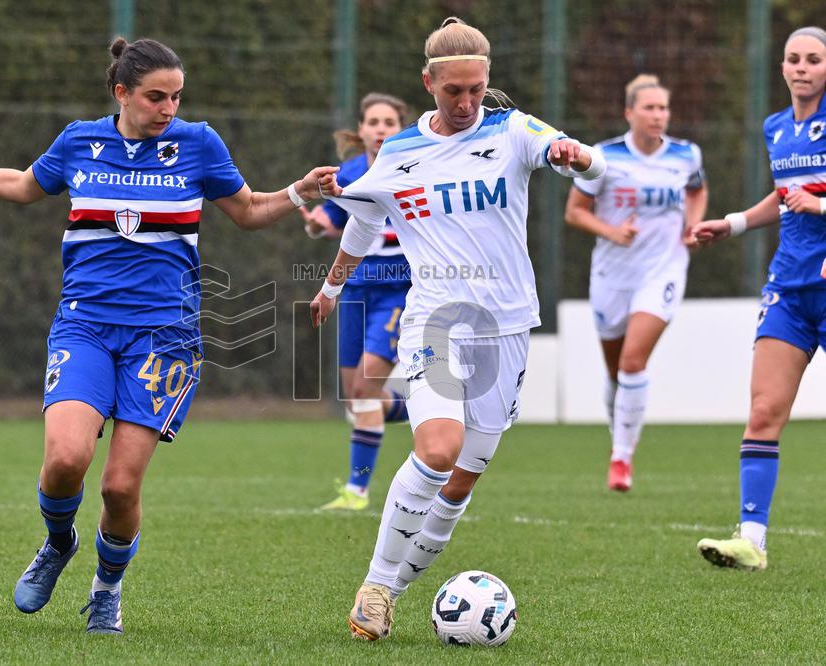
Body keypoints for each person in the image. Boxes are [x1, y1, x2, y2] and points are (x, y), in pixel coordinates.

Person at [0, 37, 339, 633]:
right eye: (155, 97)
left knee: (120, 488)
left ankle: (107, 589)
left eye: (176, 97)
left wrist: (299, 190)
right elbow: (22, 186)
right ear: (121, 92)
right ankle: (57, 542)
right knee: (66, 460)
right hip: (86, 326)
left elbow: (249, 211)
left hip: (164, 338)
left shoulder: (199, 144)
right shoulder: (79, 141)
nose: (168, 108)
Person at [308, 17, 606, 640]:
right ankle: (380, 585)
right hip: (437, 318)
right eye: (454, 92)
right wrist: (333, 285)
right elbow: (363, 221)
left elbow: (592, 168)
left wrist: (575, 157)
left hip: (508, 325)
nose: (467, 102)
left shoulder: (515, 130)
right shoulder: (398, 153)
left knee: (467, 471)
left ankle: (403, 579)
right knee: (438, 451)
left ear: (487, 80)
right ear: (429, 83)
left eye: (476, 89)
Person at [692, 26, 826, 571]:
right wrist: (735, 223)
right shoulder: (777, 127)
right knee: (765, 409)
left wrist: (820, 207)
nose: (801, 68)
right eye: (793, 59)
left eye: (813, 60)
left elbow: (811, 197)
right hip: (790, 288)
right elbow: (785, 192)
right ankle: (751, 541)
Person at [564, 74, 708, 492]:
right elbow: (575, 212)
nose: (658, 115)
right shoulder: (603, 158)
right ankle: (619, 438)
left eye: (663, 108)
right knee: (615, 372)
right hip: (613, 274)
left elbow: (697, 192)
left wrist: (693, 224)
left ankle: (621, 460)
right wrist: (612, 232)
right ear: (629, 112)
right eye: (649, 108)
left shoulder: (686, 154)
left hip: (663, 270)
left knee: (632, 362)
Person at [301, 93, 413, 511]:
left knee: (365, 387)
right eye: (374, 121)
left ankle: (357, 490)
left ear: (400, 129)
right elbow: (327, 223)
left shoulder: (412, 169)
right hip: (356, 290)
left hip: (400, 290)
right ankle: (418, 407)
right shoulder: (347, 173)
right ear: (361, 130)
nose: (381, 128)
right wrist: (316, 225)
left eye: (389, 122)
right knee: (356, 398)